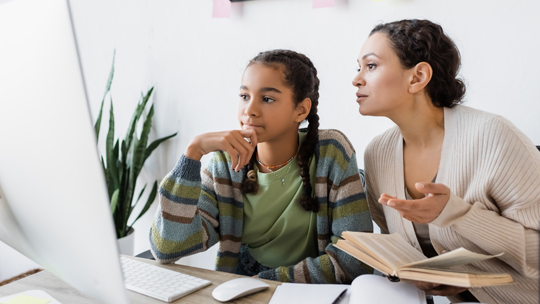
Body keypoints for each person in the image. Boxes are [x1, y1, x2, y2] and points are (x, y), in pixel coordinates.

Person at [354, 19, 540, 303]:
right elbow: (401, 252)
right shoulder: (377, 153)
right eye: (358, 68)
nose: (357, 79)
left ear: (417, 77)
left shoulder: (495, 137)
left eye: (371, 66)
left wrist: (459, 214)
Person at [150, 49, 373, 283]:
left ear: (301, 110)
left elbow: (355, 260)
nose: (250, 110)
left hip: (308, 287)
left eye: (267, 99)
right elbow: (167, 248)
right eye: (244, 96)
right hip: (244, 283)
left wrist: (269, 280)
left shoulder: (331, 153)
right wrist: (193, 153)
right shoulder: (226, 163)